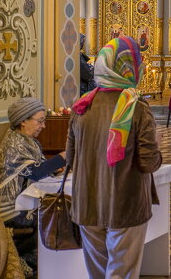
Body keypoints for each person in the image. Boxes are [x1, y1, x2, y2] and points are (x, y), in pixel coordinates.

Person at [69, 37, 162, 279]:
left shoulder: (81, 107)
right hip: (125, 201)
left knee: (98, 273)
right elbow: (148, 162)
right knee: (122, 272)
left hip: (87, 200)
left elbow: (70, 157)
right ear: (131, 68)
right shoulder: (137, 107)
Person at [0, 96, 57, 275]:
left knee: (56, 212)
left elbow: (39, 169)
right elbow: (35, 172)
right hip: (8, 208)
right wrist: (62, 157)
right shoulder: (14, 144)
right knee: (52, 216)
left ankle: (46, 266)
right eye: (40, 121)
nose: (43, 126)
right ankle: (35, 267)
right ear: (23, 121)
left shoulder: (26, 141)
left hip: (20, 201)